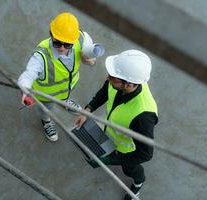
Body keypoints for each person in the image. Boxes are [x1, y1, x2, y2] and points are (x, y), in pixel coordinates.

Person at [74, 50, 158, 200]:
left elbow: (145, 153)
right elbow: (105, 92)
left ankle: (139, 183)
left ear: (129, 84)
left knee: (129, 169)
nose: (108, 78)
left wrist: (113, 160)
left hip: (126, 149)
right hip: (110, 134)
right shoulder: (118, 82)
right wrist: (88, 110)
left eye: (112, 77)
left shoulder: (143, 116)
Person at [18, 12, 104, 142]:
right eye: (57, 43)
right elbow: (29, 74)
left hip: (67, 88)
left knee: (64, 96)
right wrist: (24, 87)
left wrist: (89, 61)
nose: (62, 48)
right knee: (46, 109)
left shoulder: (81, 40)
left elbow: (92, 59)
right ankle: (46, 121)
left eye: (67, 44)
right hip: (46, 96)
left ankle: (64, 101)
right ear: (51, 34)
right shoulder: (41, 56)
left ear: (74, 40)